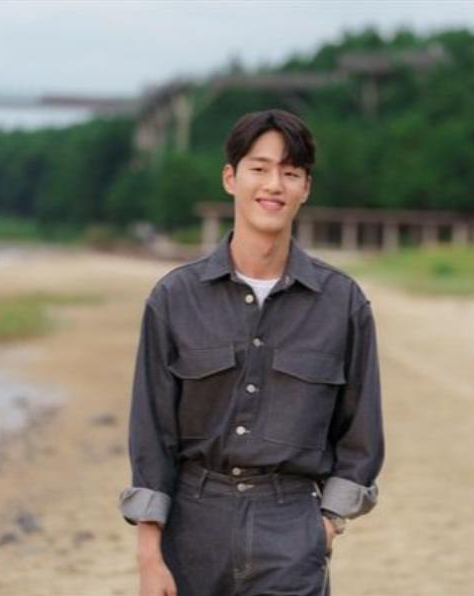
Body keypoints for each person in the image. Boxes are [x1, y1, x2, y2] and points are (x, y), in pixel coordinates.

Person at [120, 109, 384, 596]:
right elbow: (152, 435)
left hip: (292, 527)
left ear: (305, 187)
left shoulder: (342, 303)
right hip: (193, 525)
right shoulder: (174, 298)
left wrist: (326, 525)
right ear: (231, 178)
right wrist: (149, 556)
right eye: (259, 168)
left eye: (290, 172)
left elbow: (360, 436)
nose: (274, 185)